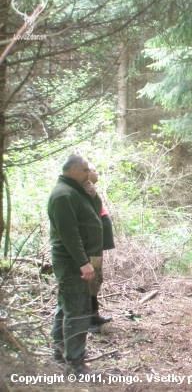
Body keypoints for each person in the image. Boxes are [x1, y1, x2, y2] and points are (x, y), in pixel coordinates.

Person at [48, 154, 102, 375]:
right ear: (73, 171)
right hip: (72, 262)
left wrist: (93, 195)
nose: (90, 173)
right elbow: (68, 234)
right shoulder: (63, 195)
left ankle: (60, 349)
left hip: (80, 260)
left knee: (67, 305)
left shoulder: (76, 191)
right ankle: (76, 363)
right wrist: (83, 262)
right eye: (86, 169)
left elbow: (94, 215)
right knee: (78, 310)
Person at [83, 164, 115, 333]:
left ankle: (94, 315)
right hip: (89, 247)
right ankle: (87, 320)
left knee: (96, 279)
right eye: (93, 169)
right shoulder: (80, 190)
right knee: (90, 279)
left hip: (96, 246)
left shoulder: (90, 190)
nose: (96, 172)